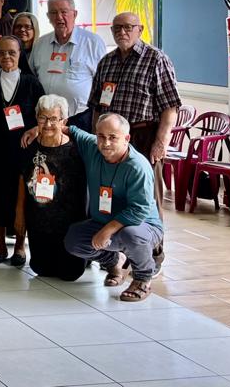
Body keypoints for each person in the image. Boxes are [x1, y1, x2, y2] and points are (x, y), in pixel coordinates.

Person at [63, 113, 164, 302]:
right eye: (101, 136)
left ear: (126, 138)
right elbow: (71, 130)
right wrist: (38, 129)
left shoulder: (137, 167)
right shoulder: (94, 147)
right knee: (74, 240)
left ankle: (143, 278)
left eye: (113, 137)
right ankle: (115, 261)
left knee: (131, 235)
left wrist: (107, 230)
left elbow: (139, 209)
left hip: (143, 226)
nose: (105, 143)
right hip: (103, 222)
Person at [89, 13, 181, 212]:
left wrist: (161, 142)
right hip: (111, 139)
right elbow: (97, 106)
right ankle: (114, 240)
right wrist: (97, 138)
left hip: (143, 136)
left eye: (128, 27)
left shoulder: (156, 59)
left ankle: (152, 243)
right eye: (117, 28)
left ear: (140, 30)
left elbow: (170, 106)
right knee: (113, 192)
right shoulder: (106, 62)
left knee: (147, 195)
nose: (122, 32)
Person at [0, 36, 43, 264]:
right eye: (1, 53)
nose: (6, 57)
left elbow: (43, 116)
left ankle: (20, 247)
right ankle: (0, 246)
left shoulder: (31, 82)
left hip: (23, 152)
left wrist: (34, 129)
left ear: (20, 54)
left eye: (11, 53)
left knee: (20, 198)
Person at [15, 95, 88, 278]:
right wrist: (19, 212)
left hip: (68, 223)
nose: (47, 124)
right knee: (41, 269)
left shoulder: (76, 150)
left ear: (64, 121)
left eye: (53, 119)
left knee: (70, 273)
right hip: (38, 219)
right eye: (42, 118)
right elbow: (22, 181)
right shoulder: (29, 146)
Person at [29, 0, 106, 132]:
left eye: (64, 12)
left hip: (81, 118)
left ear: (74, 14)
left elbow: (104, 83)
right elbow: (32, 76)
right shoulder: (40, 44)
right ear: (48, 17)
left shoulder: (93, 42)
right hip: (47, 120)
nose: (59, 17)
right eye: (53, 12)